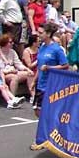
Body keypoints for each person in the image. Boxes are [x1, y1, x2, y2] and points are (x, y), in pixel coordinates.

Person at [29, 22, 69, 150]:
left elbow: (65, 65)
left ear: (48, 34)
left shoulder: (56, 49)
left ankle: (42, 139)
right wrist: (34, 81)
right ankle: (53, 131)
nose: (39, 35)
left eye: (41, 33)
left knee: (44, 112)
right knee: (37, 111)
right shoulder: (42, 47)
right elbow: (40, 67)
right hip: (41, 84)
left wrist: (50, 68)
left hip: (51, 85)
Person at [0, 33, 35, 101]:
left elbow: (18, 64)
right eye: (10, 42)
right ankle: (12, 98)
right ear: (4, 43)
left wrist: (27, 69)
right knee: (15, 77)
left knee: (30, 74)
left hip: (13, 71)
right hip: (2, 75)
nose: (12, 43)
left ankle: (33, 96)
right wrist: (10, 71)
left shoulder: (12, 52)